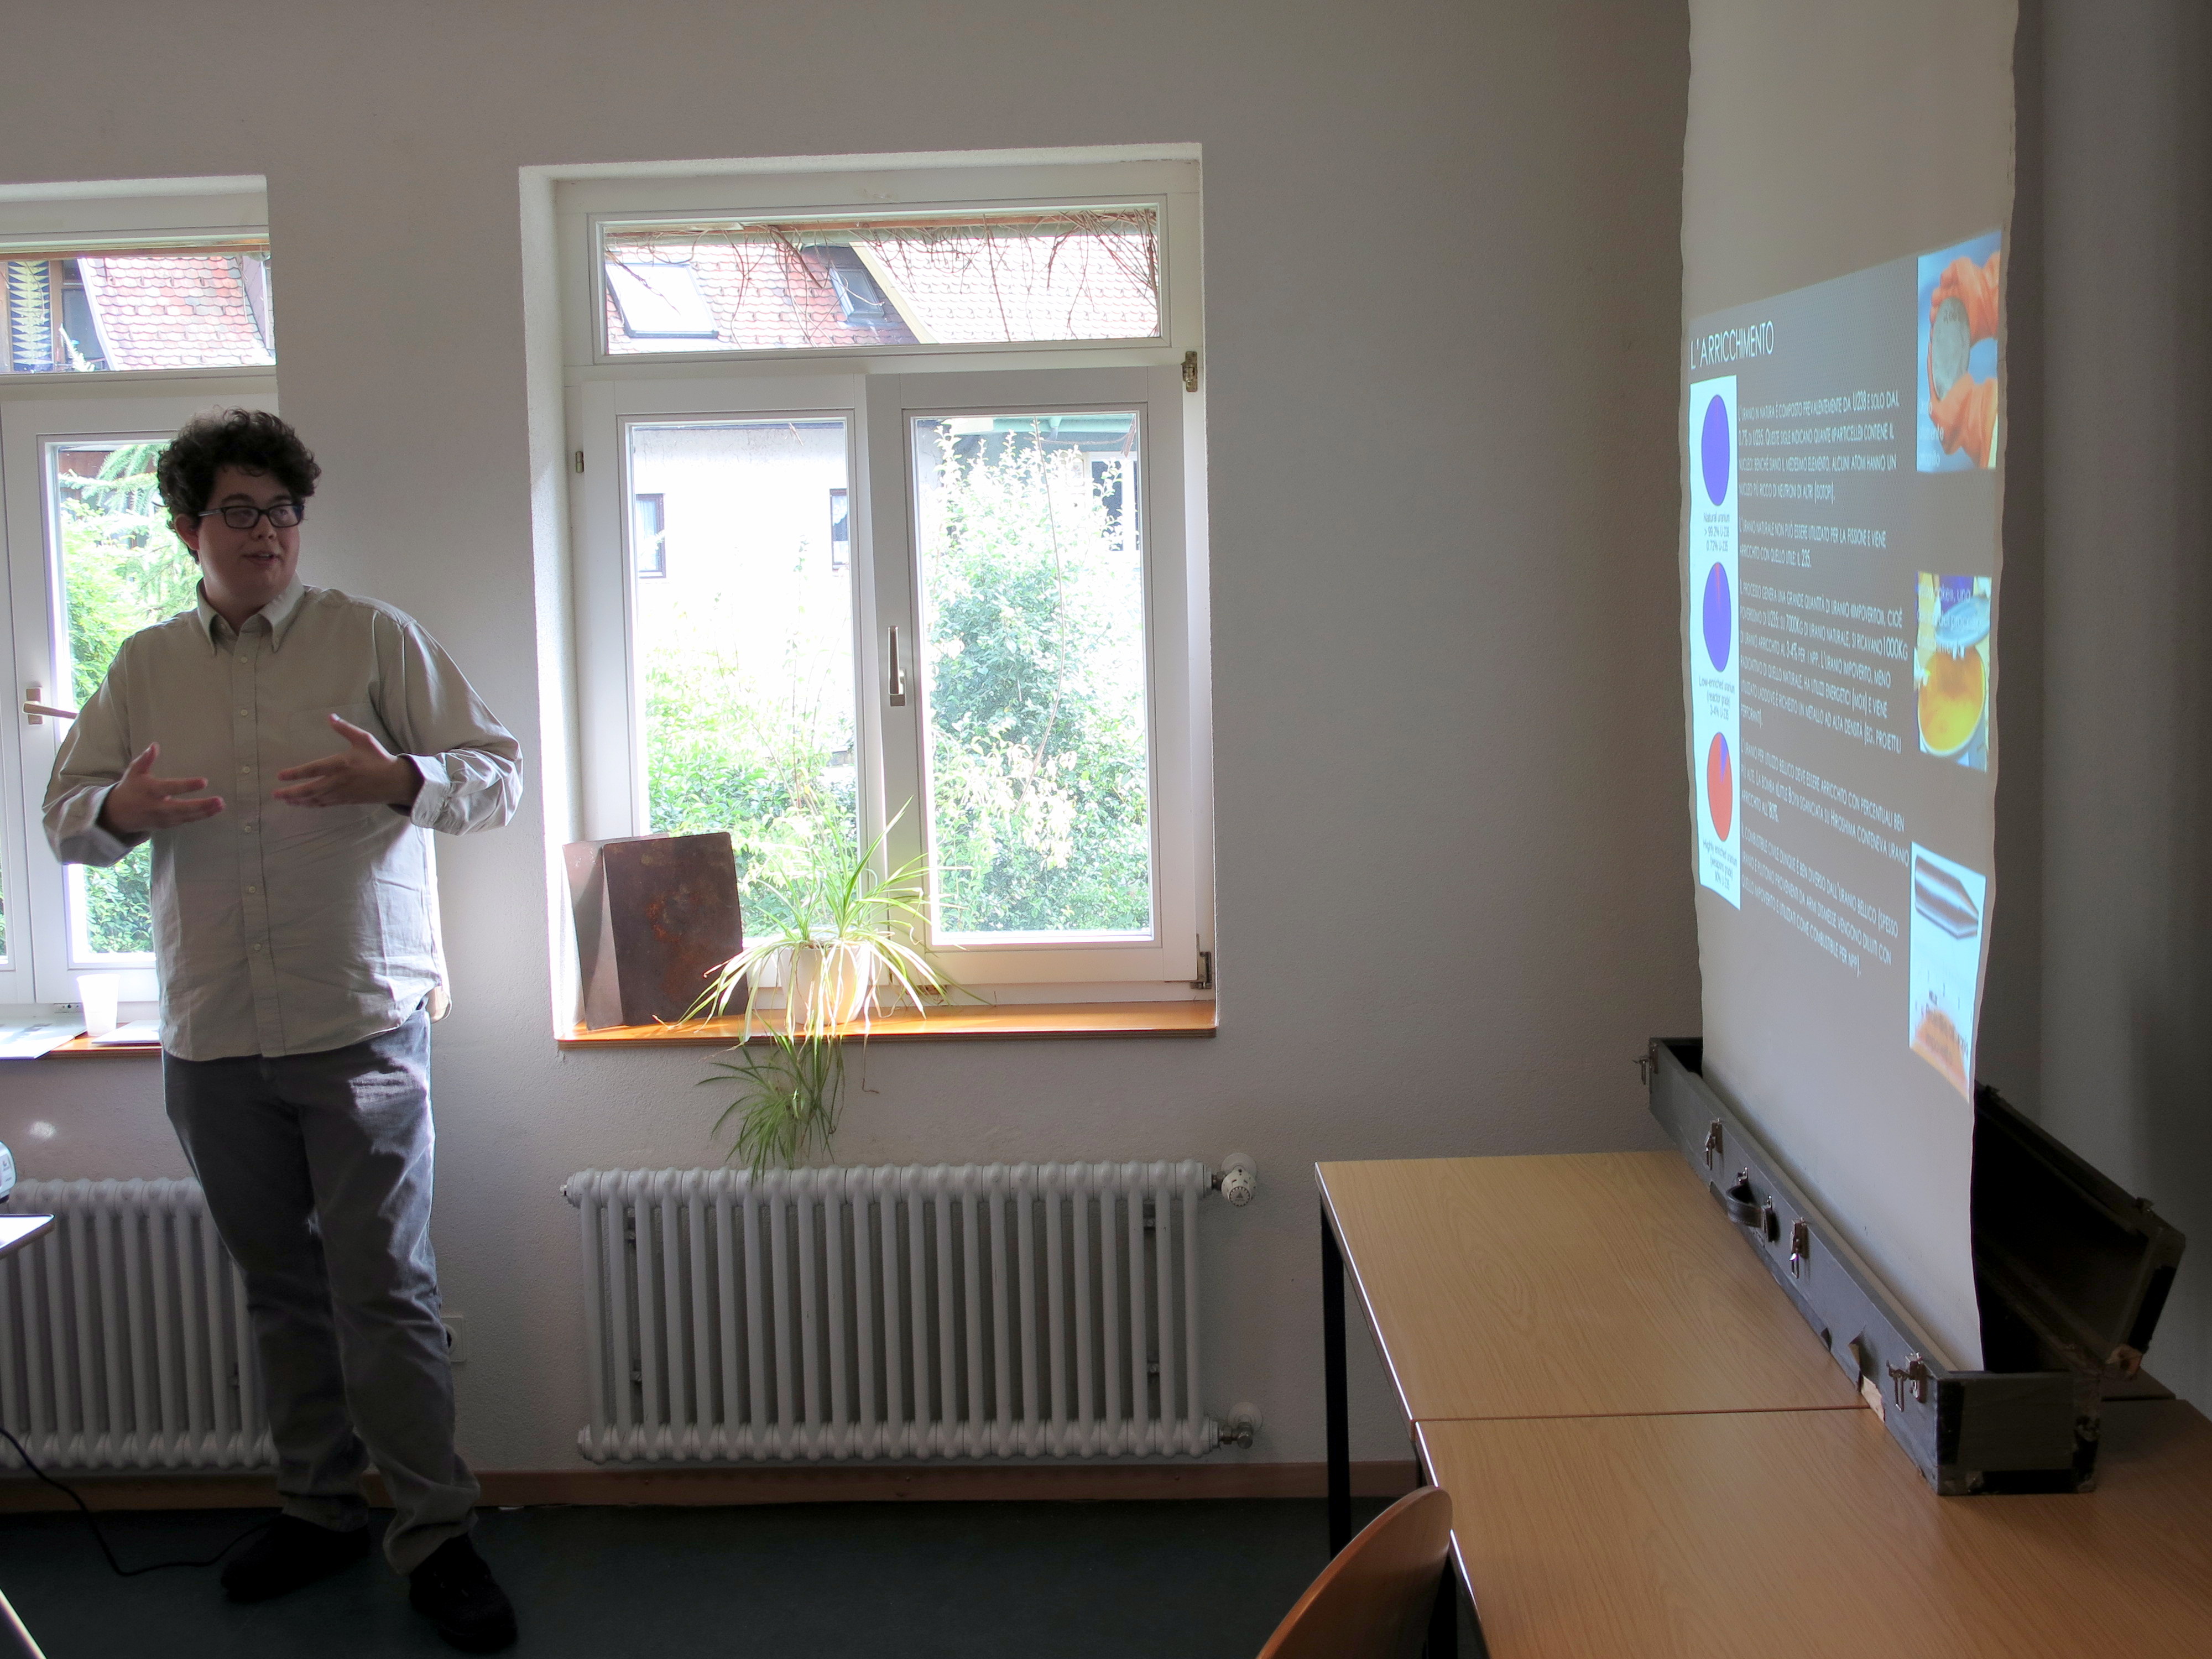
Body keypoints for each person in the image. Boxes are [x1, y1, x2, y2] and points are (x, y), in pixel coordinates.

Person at [44, 410, 523, 1653]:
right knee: (280, 1292)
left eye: (282, 512)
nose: (265, 534)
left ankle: (437, 1535)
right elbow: (65, 819)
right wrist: (120, 807)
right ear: (187, 528)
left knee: (389, 1294)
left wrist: (401, 780)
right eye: (238, 512)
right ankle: (317, 1512)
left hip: (358, 1022)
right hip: (212, 1032)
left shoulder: (373, 638)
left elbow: (498, 774)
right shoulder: (145, 666)